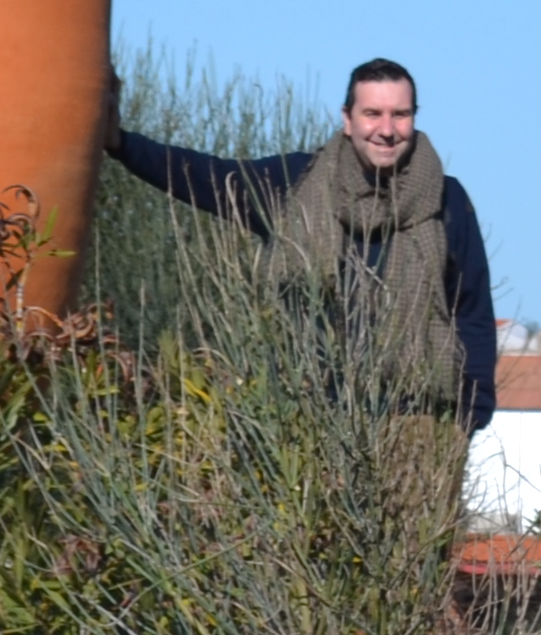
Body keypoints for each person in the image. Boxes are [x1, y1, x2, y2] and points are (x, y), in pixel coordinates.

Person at [96, 58, 500, 430]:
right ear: (347, 119)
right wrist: (121, 144)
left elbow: (472, 311)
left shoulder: (446, 200)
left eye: (400, 114)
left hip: (417, 421)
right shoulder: (296, 183)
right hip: (309, 420)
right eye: (372, 113)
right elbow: (208, 177)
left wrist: (469, 420)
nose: (387, 129)